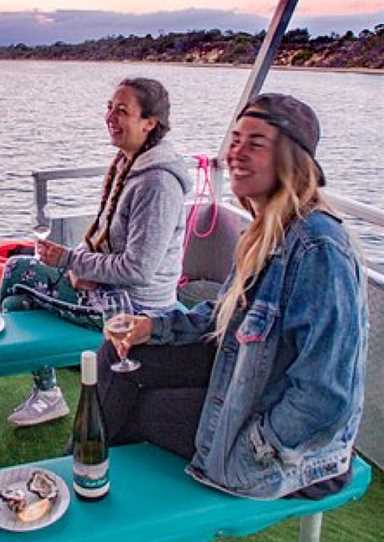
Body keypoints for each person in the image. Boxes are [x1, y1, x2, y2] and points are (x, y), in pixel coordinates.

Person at [99, 94, 367, 499]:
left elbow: (324, 395)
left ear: (290, 161)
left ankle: (97, 492)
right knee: (119, 355)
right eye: (235, 139)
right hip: (247, 377)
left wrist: (254, 445)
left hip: (294, 454)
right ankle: (85, 470)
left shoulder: (319, 248)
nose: (235, 153)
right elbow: (223, 316)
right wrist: (153, 326)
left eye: (255, 144)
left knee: (145, 409)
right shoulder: (266, 231)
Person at [0, 78, 191, 426]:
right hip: (108, 286)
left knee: (16, 271)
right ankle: (47, 392)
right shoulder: (129, 163)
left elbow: (138, 269)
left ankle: (45, 392)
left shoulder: (156, 183)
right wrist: (83, 269)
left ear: (150, 123)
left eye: (122, 110)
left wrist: (73, 261)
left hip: (133, 305)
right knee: (16, 304)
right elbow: (104, 239)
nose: (110, 116)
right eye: (109, 107)